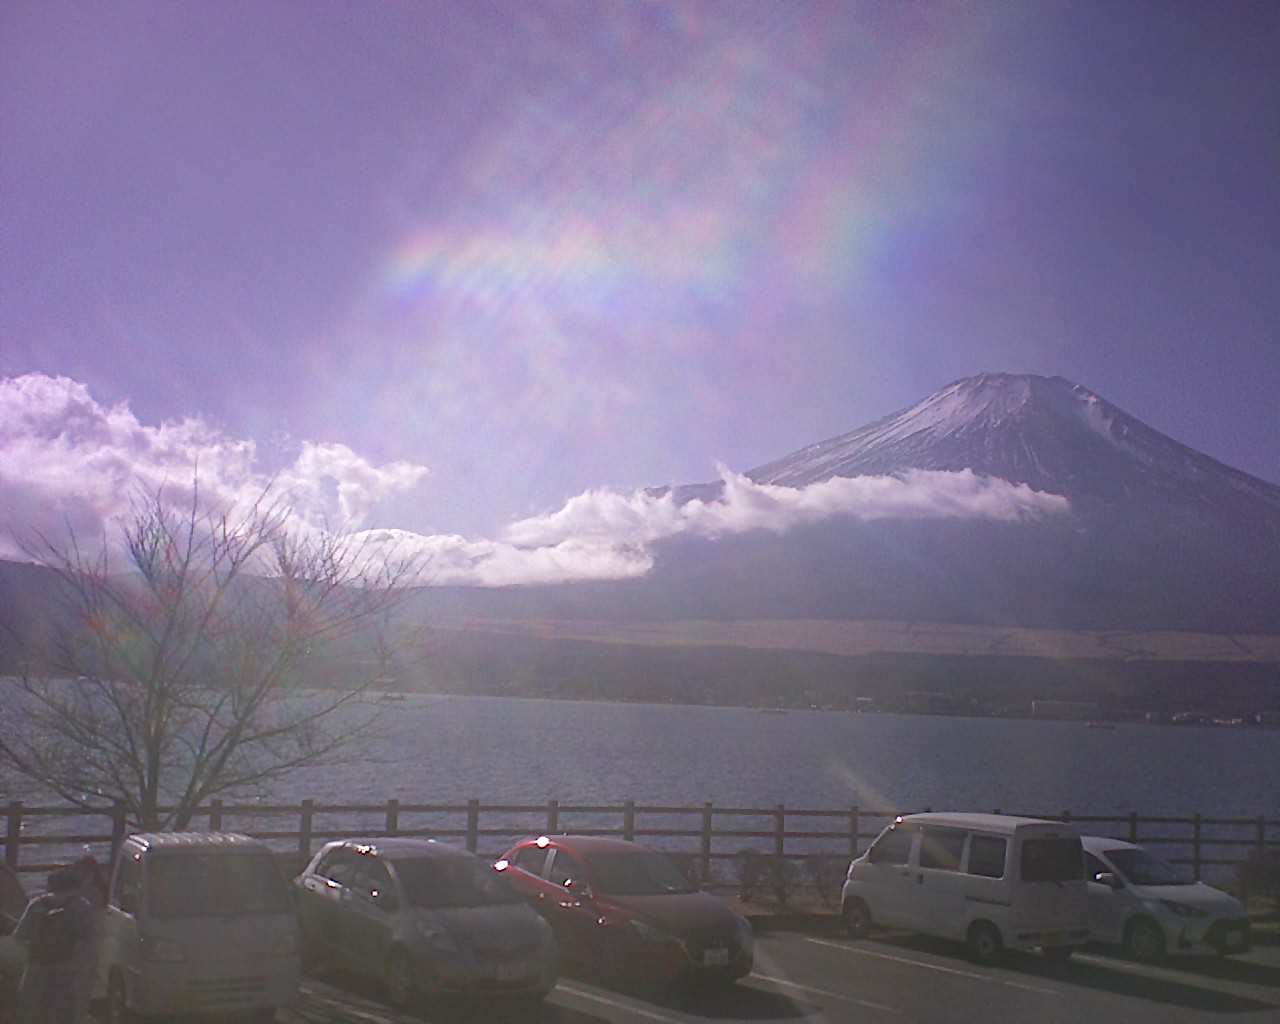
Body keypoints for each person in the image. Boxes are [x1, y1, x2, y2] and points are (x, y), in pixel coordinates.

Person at [12, 869, 90, 1024]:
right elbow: (87, 940)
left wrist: (33, 949)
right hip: (65, 969)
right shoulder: (81, 906)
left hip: (36, 968)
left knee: (32, 1014)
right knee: (62, 1015)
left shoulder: (36, 904)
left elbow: (19, 937)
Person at [70, 855, 106, 1024]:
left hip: (84, 943)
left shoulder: (87, 893)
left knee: (80, 983)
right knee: (85, 982)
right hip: (90, 942)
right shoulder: (97, 891)